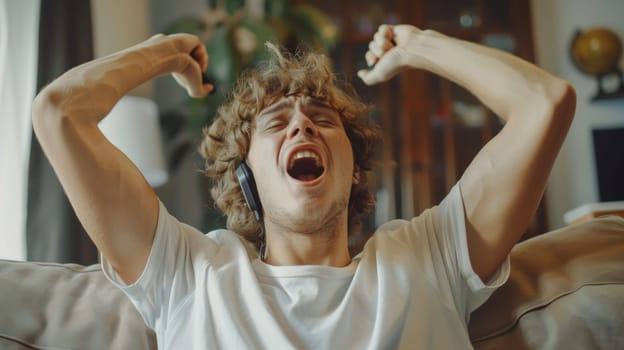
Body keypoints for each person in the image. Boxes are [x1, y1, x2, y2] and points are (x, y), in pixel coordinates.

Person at [32, 24, 576, 349]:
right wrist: (163, 53)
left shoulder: (429, 256)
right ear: (244, 177)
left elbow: (544, 104)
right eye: (276, 123)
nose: (301, 125)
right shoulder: (188, 272)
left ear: (355, 168)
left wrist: (418, 44)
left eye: (323, 119)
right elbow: (59, 113)